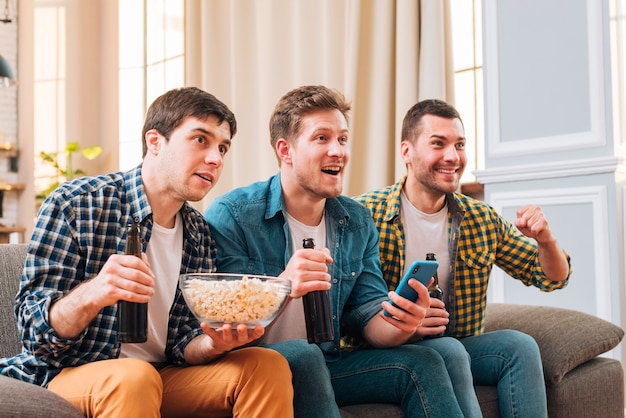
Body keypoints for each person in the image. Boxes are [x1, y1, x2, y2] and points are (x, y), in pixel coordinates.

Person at [0, 87, 294, 418]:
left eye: (222, 147)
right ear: (154, 142)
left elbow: (182, 344)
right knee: (135, 377)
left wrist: (214, 343)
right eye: (201, 140)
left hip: (158, 376)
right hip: (67, 374)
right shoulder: (76, 205)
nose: (216, 158)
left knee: (265, 365)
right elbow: (34, 334)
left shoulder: (199, 234)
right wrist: (94, 293)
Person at [205, 85, 469, 418]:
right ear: (285, 150)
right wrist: (282, 287)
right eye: (322, 139)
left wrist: (401, 322)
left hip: (329, 363)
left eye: (343, 139)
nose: (338, 151)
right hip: (256, 367)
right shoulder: (234, 215)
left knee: (426, 359)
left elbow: (368, 317)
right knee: (304, 355)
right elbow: (226, 325)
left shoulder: (355, 219)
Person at [355, 98, 572, 418]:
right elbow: (349, 306)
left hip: (458, 341)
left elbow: (553, 277)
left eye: (460, 145)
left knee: (519, 346)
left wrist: (545, 239)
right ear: (406, 152)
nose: (453, 157)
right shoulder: (365, 214)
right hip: (386, 350)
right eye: (438, 144)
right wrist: (406, 323)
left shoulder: (479, 219)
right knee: (447, 349)